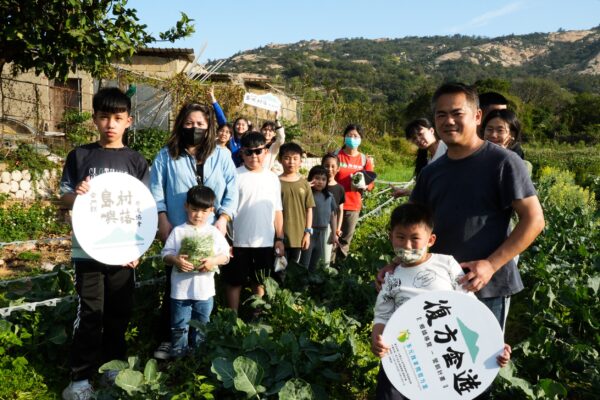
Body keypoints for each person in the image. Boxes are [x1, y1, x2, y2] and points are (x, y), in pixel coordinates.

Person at [380, 83, 545, 331]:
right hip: (435, 285)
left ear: (477, 116)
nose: (449, 121)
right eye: (441, 114)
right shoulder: (431, 173)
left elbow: (534, 220)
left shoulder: (503, 162)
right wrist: (397, 261)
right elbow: (413, 226)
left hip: (483, 286)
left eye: (457, 113)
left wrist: (490, 264)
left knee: (477, 362)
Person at [60, 87, 149, 400]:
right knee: (90, 314)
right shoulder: (80, 156)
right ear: (95, 119)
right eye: (104, 117)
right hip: (87, 251)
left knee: (118, 314)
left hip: (123, 254)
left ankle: (113, 369)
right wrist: (79, 195)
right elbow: (64, 196)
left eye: (118, 118)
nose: (110, 123)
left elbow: (145, 211)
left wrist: (138, 249)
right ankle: (80, 380)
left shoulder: (137, 162)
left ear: (129, 121)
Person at [372, 203, 512, 400]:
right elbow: (383, 315)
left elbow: (469, 306)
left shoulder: (445, 264)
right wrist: (377, 340)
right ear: (391, 237)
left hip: (443, 351)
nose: (407, 245)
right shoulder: (391, 277)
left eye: (415, 239)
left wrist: (494, 343)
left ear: (431, 240)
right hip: (405, 354)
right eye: (400, 238)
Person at [150, 102, 238, 360]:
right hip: (179, 230)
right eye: (189, 123)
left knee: (204, 286)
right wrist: (162, 219)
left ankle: (199, 340)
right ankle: (169, 338)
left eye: (200, 124)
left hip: (212, 232)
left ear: (209, 126)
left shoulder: (221, 155)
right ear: (180, 124)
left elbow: (232, 191)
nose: (195, 128)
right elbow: (156, 191)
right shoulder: (166, 155)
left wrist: (223, 218)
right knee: (174, 285)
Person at [161, 186, 230, 358]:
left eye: (204, 211)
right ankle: (179, 358)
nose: (198, 215)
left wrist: (213, 261)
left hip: (205, 291)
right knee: (179, 325)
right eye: (194, 209)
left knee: (202, 325)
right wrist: (176, 260)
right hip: (180, 291)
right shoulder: (179, 231)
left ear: (211, 211)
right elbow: (165, 254)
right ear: (186, 207)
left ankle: (198, 359)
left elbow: (226, 255)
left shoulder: (213, 233)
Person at [220, 132, 285, 312]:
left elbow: (277, 210)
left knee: (260, 280)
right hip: (237, 240)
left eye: (258, 151)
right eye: (249, 152)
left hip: (264, 240)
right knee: (234, 282)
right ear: (241, 153)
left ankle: (258, 315)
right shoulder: (234, 175)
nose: (254, 156)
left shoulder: (272, 178)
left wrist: (279, 238)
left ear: (265, 151)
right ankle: (231, 318)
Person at [334, 124, 374, 261]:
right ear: (344, 137)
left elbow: (371, 183)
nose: (352, 138)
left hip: (353, 204)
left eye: (356, 136)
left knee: (345, 240)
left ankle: (340, 267)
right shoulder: (336, 155)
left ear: (361, 139)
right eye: (349, 135)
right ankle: (326, 266)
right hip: (333, 203)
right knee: (331, 237)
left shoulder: (364, 159)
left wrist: (364, 186)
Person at [278, 142, 315, 264]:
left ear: (300, 161)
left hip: (298, 236)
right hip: (278, 236)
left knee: (294, 271)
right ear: (280, 160)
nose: (291, 162)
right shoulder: (275, 182)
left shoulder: (304, 184)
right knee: (279, 269)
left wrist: (307, 233)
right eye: (287, 158)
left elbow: (309, 209)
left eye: (295, 158)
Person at [392, 118, 447, 197]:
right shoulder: (428, 163)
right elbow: (431, 192)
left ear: (431, 131)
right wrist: (407, 192)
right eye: (414, 138)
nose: (418, 139)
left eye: (420, 134)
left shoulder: (446, 146)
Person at [300, 166, 339, 271]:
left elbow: (333, 215)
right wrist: (305, 186)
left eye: (323, 179)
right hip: (309, 233)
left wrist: (334, 233)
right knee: (304, 263)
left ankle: (310, 286)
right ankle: (300, 286)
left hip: (323, 233)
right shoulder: (307, 194)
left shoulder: (329, 196)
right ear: (311, 178)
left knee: (315, 264)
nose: (320, 182)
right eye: (317, 178)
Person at [321, 153, 345, 267]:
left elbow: (340, 210)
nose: (329, 169)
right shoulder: (318, 186)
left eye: (332, 166)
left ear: (338, 168)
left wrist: (337, 229)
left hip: (331, 227)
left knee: (327, 255)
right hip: (315, 224)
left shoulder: (339, 188)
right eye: (326, 166)